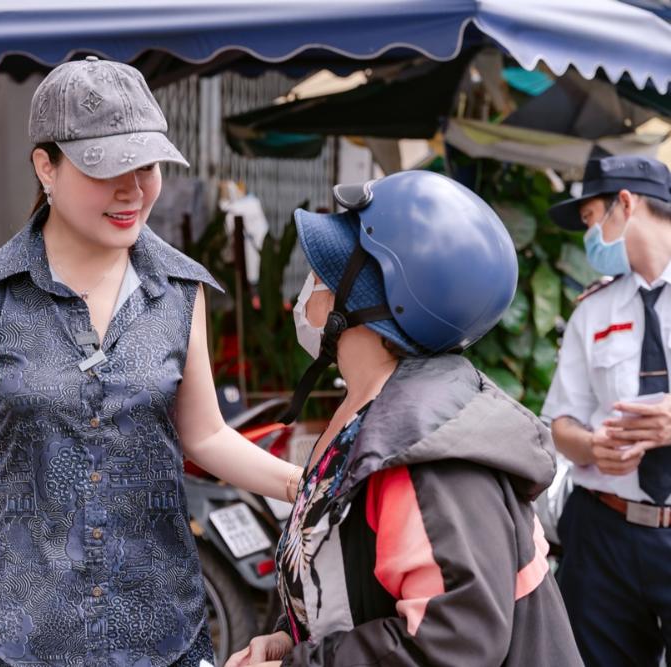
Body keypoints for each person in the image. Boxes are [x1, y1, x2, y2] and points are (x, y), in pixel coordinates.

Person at [0, 56, 302, 667]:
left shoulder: (180, 289)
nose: (133, 190)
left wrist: (304, 486)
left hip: (158, 630)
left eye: (145, 166)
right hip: (17, 635)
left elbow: (205, 434)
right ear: (46, 166)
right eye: (107, 169)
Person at [225, 170, 582, 667]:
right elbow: (354, 583)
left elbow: (449, 641)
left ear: (372, 306)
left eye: (323, 275)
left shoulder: (422, 455)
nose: (308, 289)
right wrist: (292, 637)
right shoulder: (373, 416)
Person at [541, 155, 671, 667]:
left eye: (591, 218)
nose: (589, 237)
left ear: (626, 203)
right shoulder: (594, 310)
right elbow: (561, 423)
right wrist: (592, 446)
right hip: (604, 532)